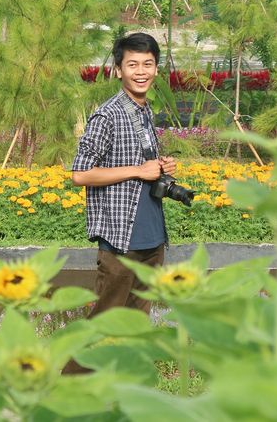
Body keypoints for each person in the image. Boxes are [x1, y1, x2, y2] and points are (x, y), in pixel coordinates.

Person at [63, 33, 176, 374]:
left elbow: (141, 166)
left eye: (148, 64)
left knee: (135, 327)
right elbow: (80, 174)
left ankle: (120, 390)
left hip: (151, 238)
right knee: (103, 323)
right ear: (118, 70)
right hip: (121, 240)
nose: (141, 71)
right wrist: (139, 170)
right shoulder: (108, 116)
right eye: (132, 65)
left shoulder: (144, 110)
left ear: (156, 68)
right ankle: (65, 387)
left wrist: (159, 167)